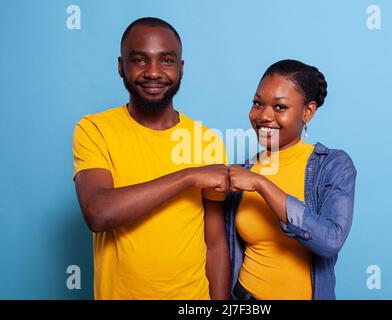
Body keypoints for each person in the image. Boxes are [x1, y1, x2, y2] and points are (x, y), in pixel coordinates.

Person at [72, 17, 230, 299]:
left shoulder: (206, 141)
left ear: (181, 69)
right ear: (122, 66)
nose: (153, 72)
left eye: (166, 60)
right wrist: (188, 176)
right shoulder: (94, 129)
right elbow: (98, 213)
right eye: (140, 60)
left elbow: (215, 243)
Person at [226, 59, 357, 300]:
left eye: (279, 107)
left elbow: (330, 241)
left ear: (308, 112)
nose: (264, 115)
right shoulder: (243, 172)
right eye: (258, 103)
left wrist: (262, 184)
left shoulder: (334, 166)